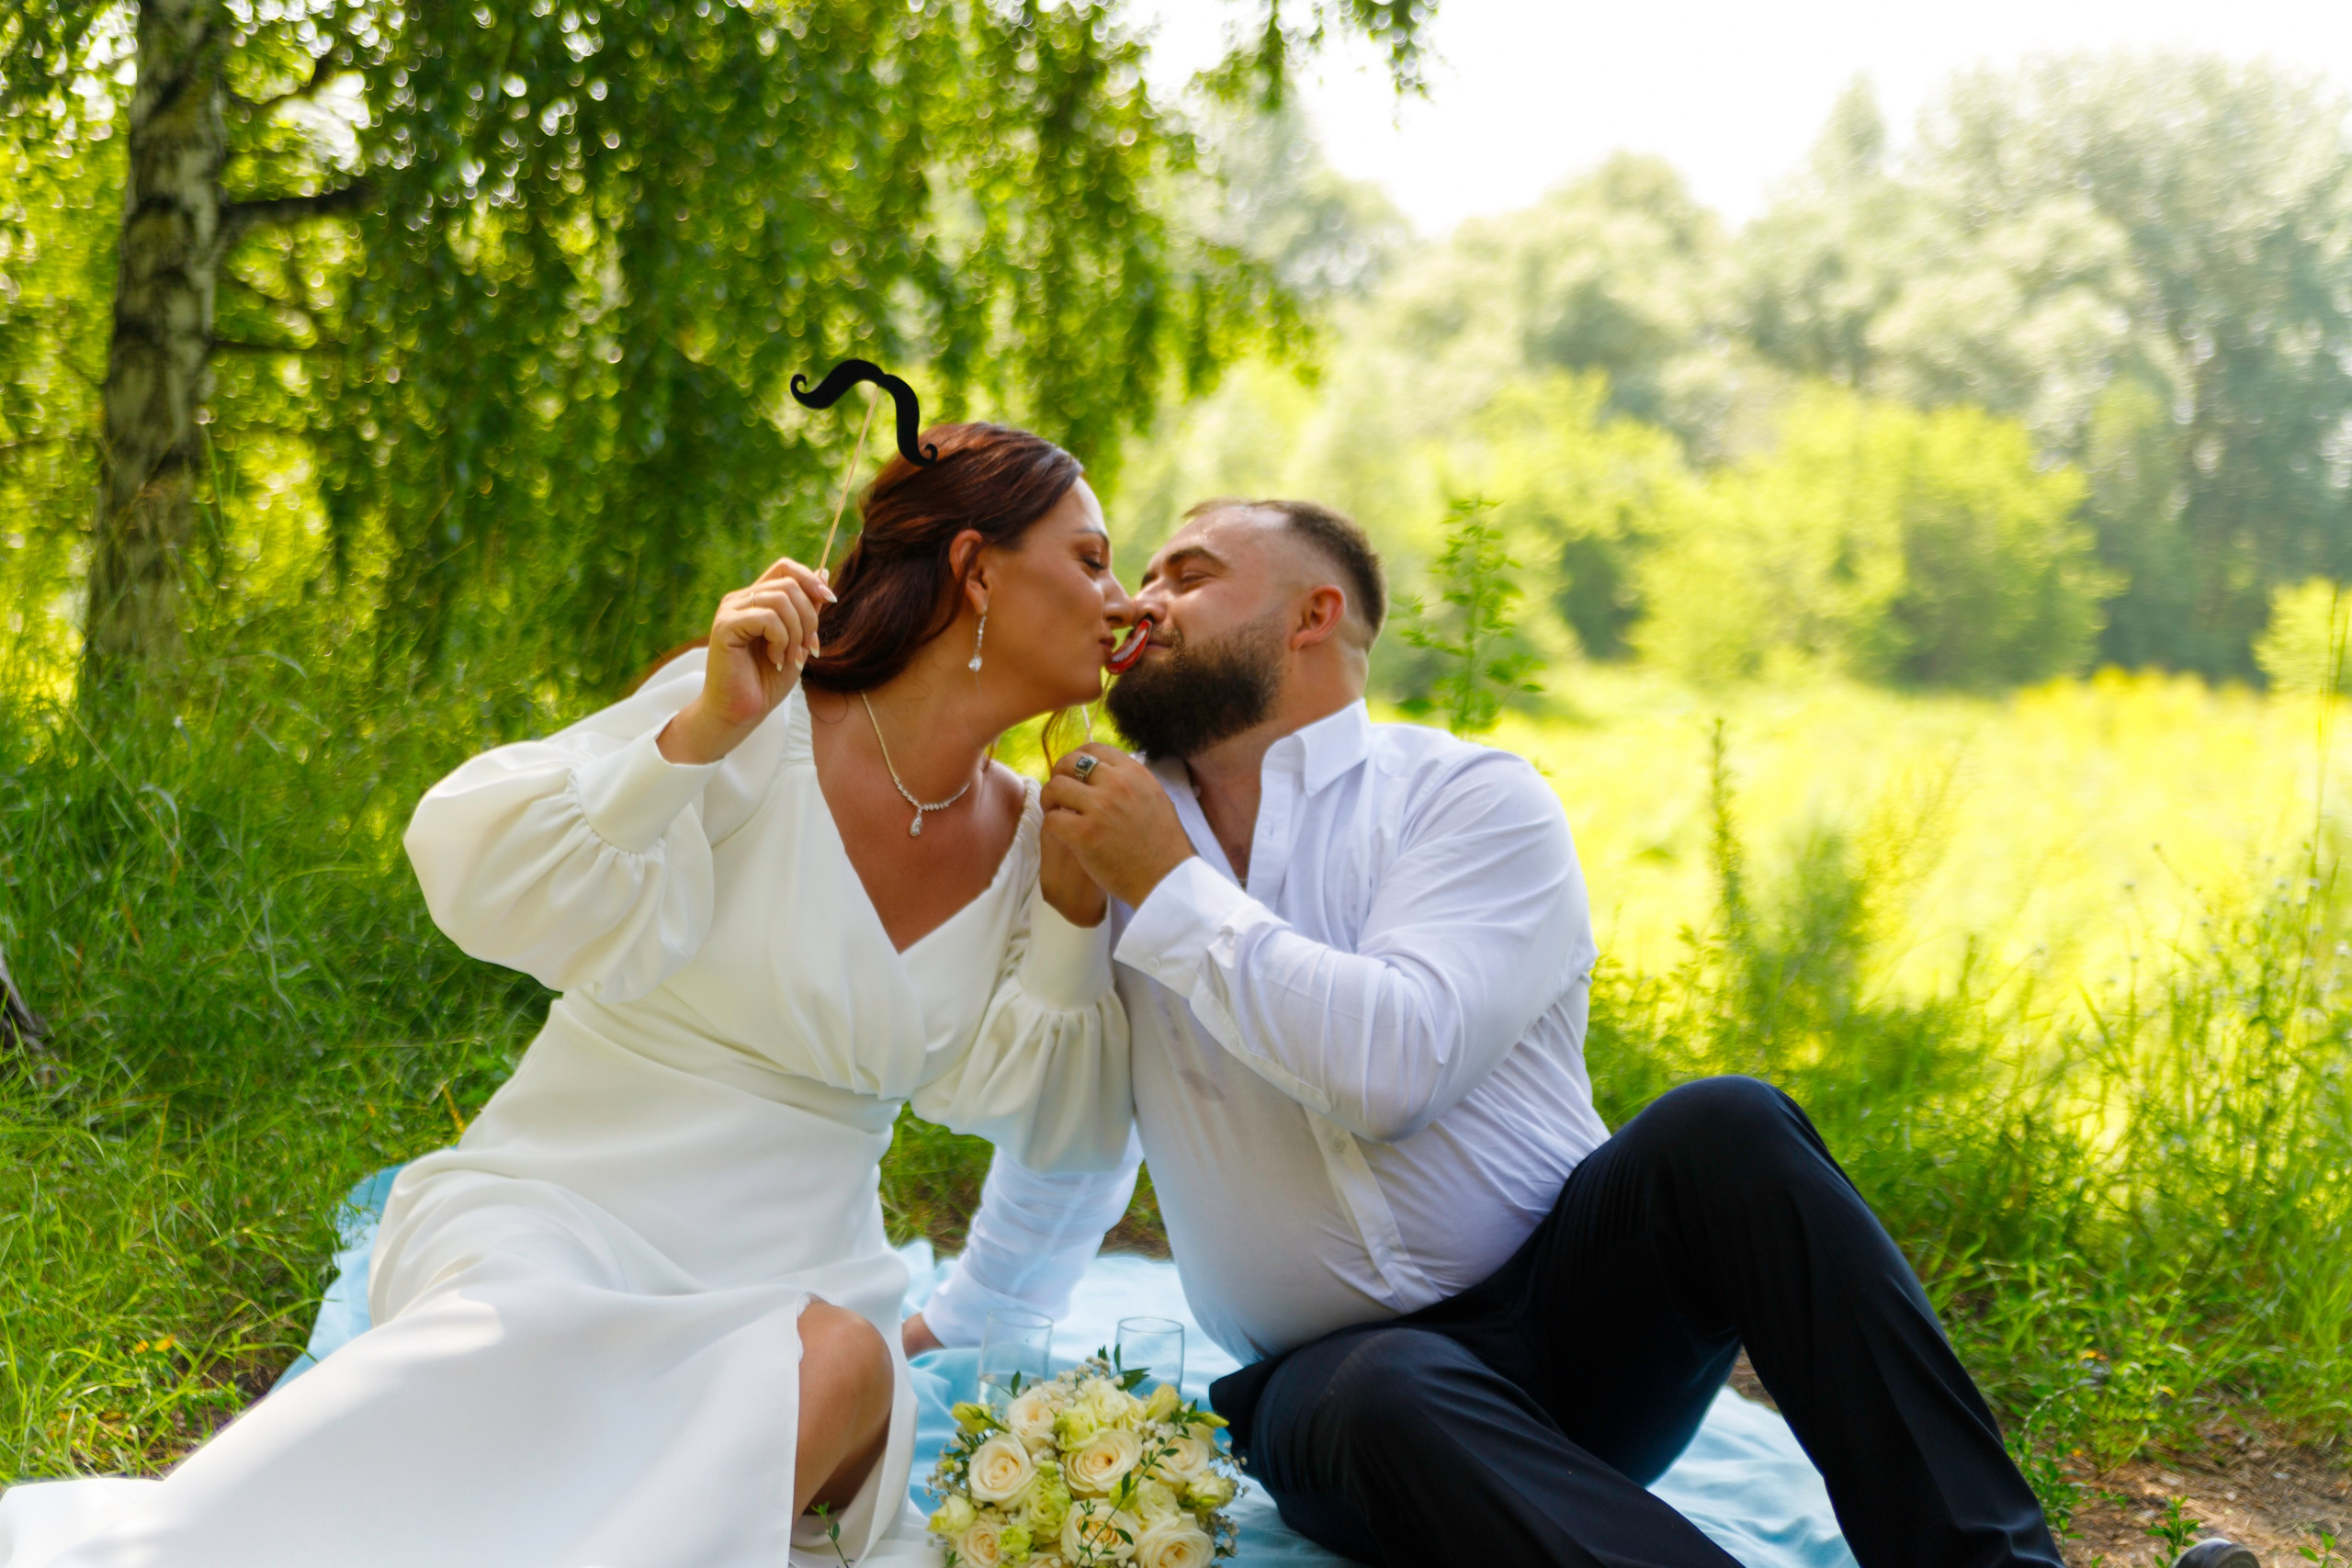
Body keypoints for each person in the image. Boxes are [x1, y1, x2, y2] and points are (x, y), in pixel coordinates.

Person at [0, 423, 1139, 1568]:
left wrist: (1070, 911)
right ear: (974, 568)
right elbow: (478, 876)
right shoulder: (755, 713)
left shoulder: (1037, 837)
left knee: (842, 1362)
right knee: (528, 1325)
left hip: (803, 1272)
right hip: (563, 1206)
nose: (1119, 598)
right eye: (1090, 560)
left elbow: (1055, 1128)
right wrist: (698, 734)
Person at [906, 497, 2072, 1568]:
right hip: (1343, 1398)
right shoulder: (1105, 834)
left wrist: (1170, 890)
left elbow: (1392, 1069)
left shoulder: (1466, 800)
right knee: (1386, 1390)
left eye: (1189, 575)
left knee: (1730, 1126)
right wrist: (965, 1320)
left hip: (1584, 1340)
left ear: (1314, 615)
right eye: (1140, 575)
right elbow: (1079, 1126)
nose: (1140, 602)